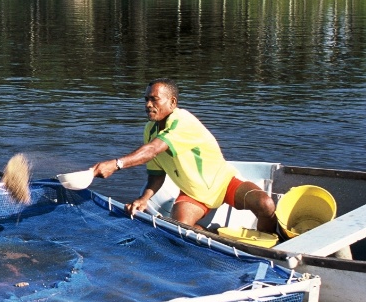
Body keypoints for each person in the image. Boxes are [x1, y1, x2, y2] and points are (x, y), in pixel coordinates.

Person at [92, 78, 277, 233]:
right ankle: (217, 239)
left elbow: (153, 150)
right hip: (193, 194)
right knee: (180, 229)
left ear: (172, 102)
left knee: (266, 205)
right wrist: (143, 199)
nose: (148, 105)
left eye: (155, 99)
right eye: (146, 99)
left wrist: (116, 164)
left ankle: (266, 245)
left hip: (223, 182)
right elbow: (157, 175)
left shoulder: (182, 121)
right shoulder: (150, 130)